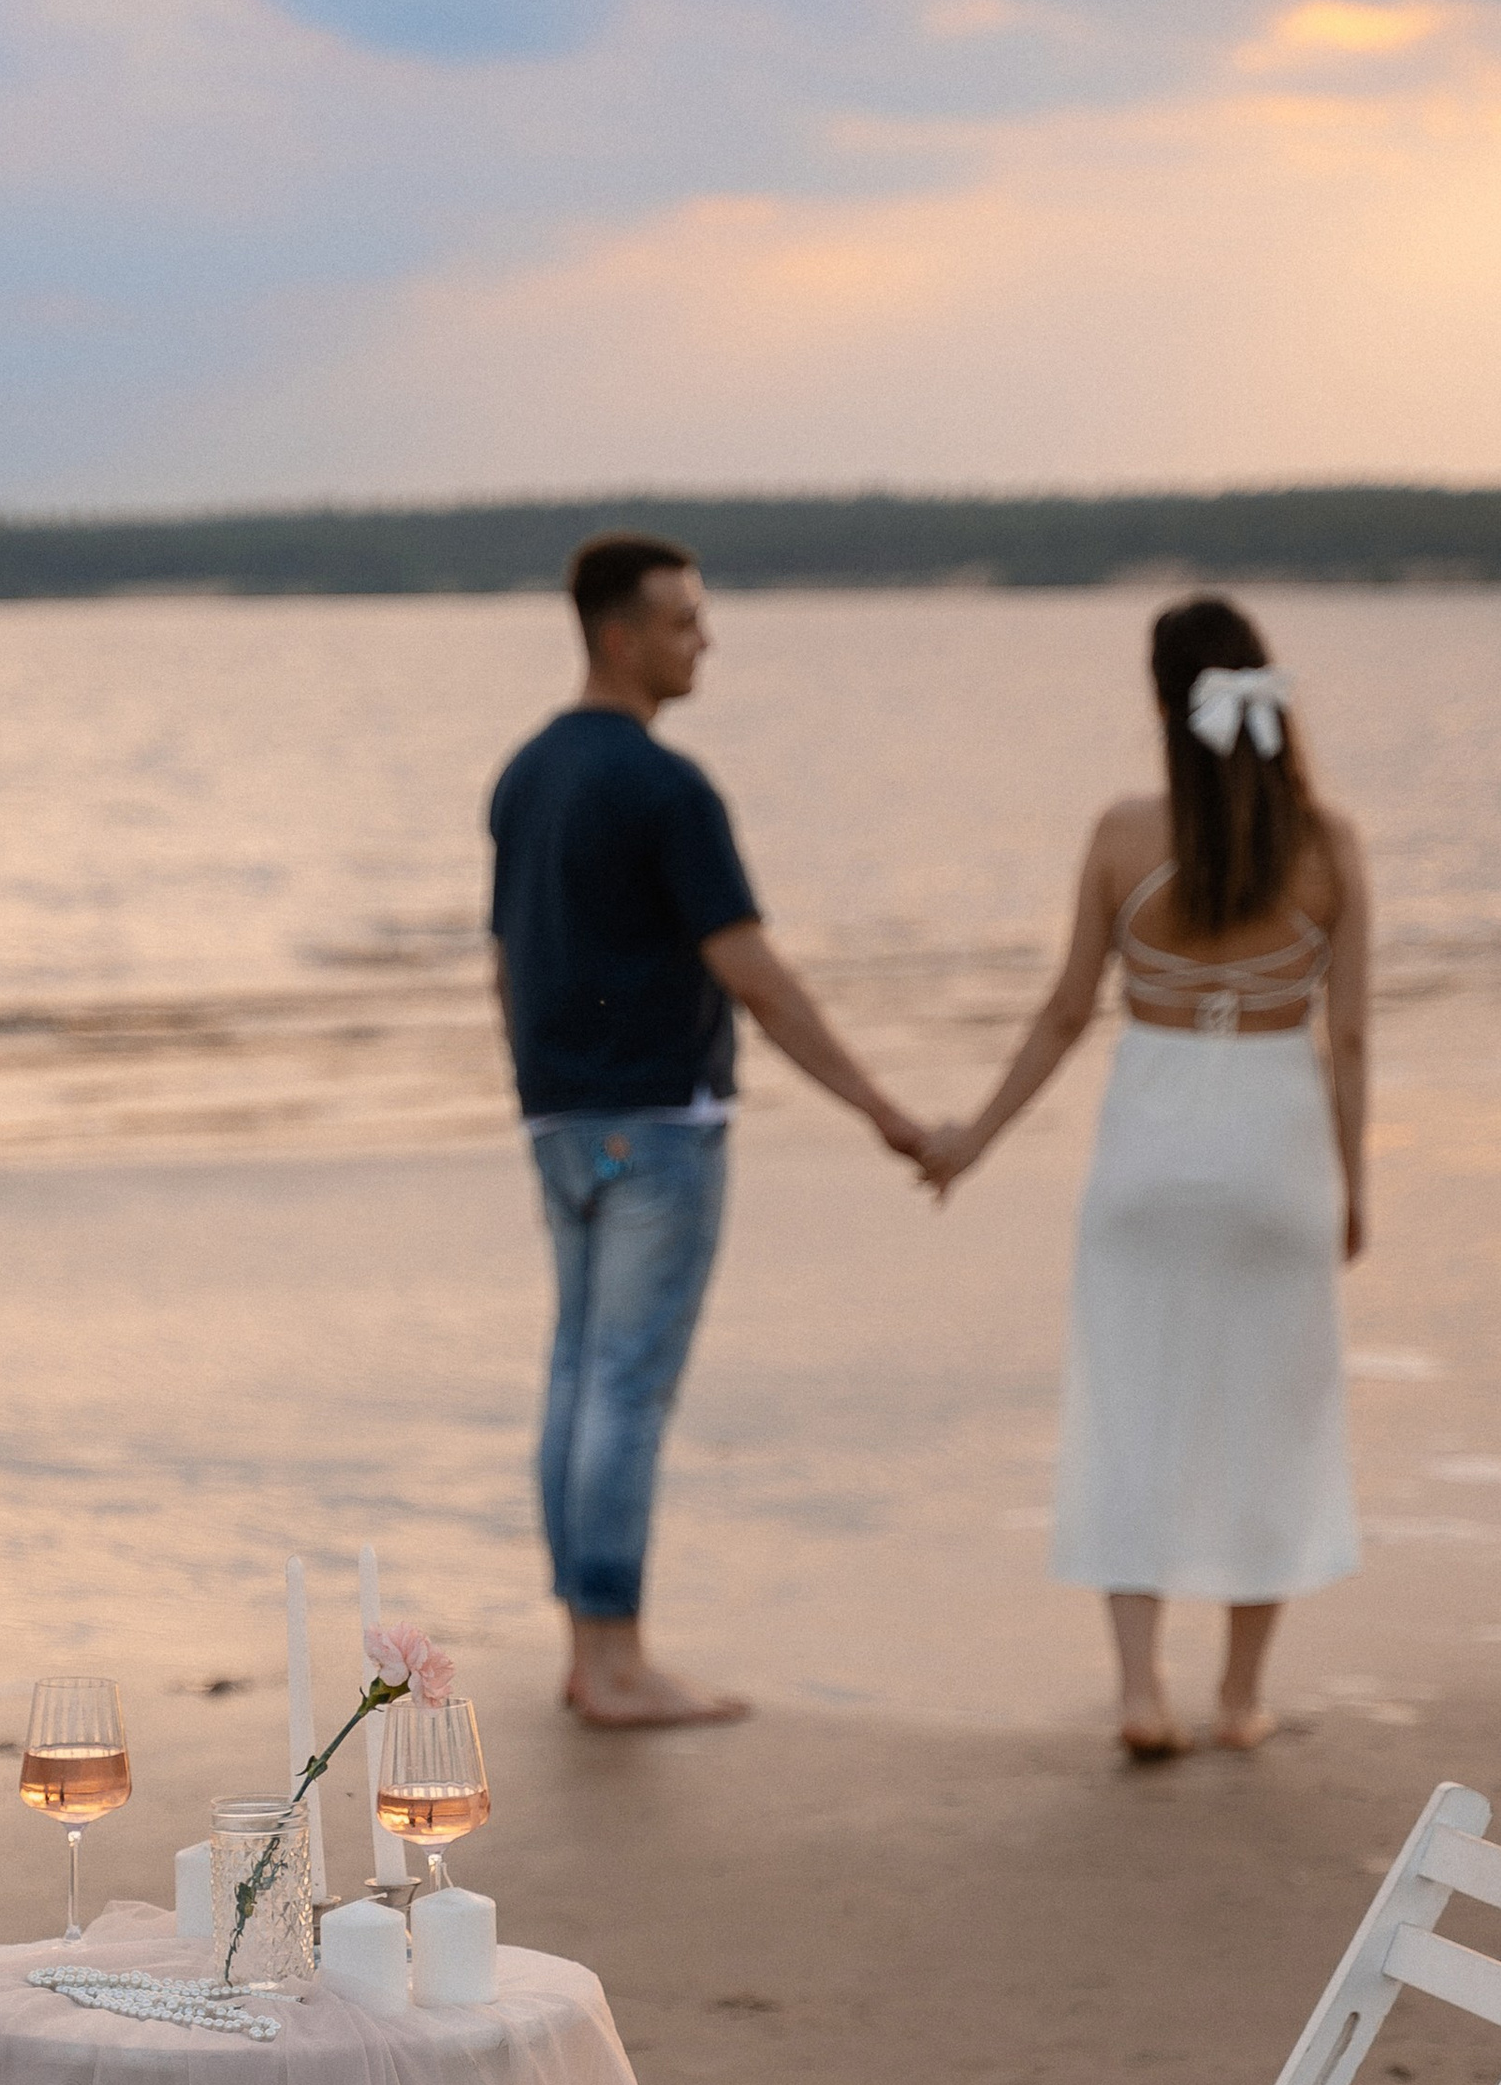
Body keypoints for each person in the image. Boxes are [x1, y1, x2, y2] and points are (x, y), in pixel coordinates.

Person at [489, 532, 928, 1727]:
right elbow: (755, 975)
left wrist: (537, 1088)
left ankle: (588, 1647)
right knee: (623, 1385)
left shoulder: (524, 773)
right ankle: (616, 1661)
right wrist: (883, 1110)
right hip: (656, 1125)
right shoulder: (665, 788)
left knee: (578, 1373)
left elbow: (508, 960)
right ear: (620, 635)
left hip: (560, 1117)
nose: (705, 640)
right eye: (684, 621)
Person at [922, 595, 1368, 1758]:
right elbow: (1351, 1038)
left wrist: (968, 1138)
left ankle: (1137, 1691)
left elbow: (1067, 1011)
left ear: (1162, 702)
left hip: (1152, 1150)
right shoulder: (1327, 843)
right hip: (1275, 1147)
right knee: (1268, 1414)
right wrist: (1353, 1184)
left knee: (1134, 1407)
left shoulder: (1122, 831)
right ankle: (1237, 1698)